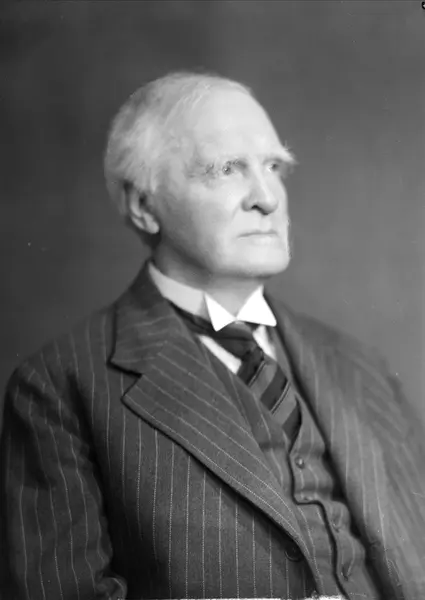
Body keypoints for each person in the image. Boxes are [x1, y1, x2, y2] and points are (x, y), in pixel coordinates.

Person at [1, 71, 424, 600]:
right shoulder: (59, 387)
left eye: (274, 167)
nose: (267, 198)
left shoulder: (361, 366)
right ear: (144, 206)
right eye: (227, 169)